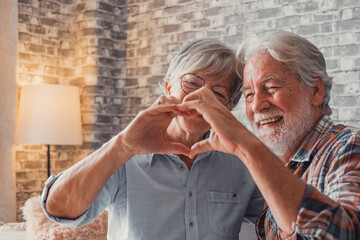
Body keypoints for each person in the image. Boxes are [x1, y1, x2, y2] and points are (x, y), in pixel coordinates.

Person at [41, 39, 264, 240]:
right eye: (192, 83)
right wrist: (123, 146)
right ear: (168, 87)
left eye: (217, 93)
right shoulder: (124, 155)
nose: (199, 98)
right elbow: (59, 209)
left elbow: (284, 226)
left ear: (228, 107)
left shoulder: (240, 161)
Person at [177, 30, 360, 239]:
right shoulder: (279, 165)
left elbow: (348, 233)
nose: (256, 106)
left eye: (271, 87)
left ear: (316, 90)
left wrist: (246, 145)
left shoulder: (348, 146)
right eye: (249, 94)